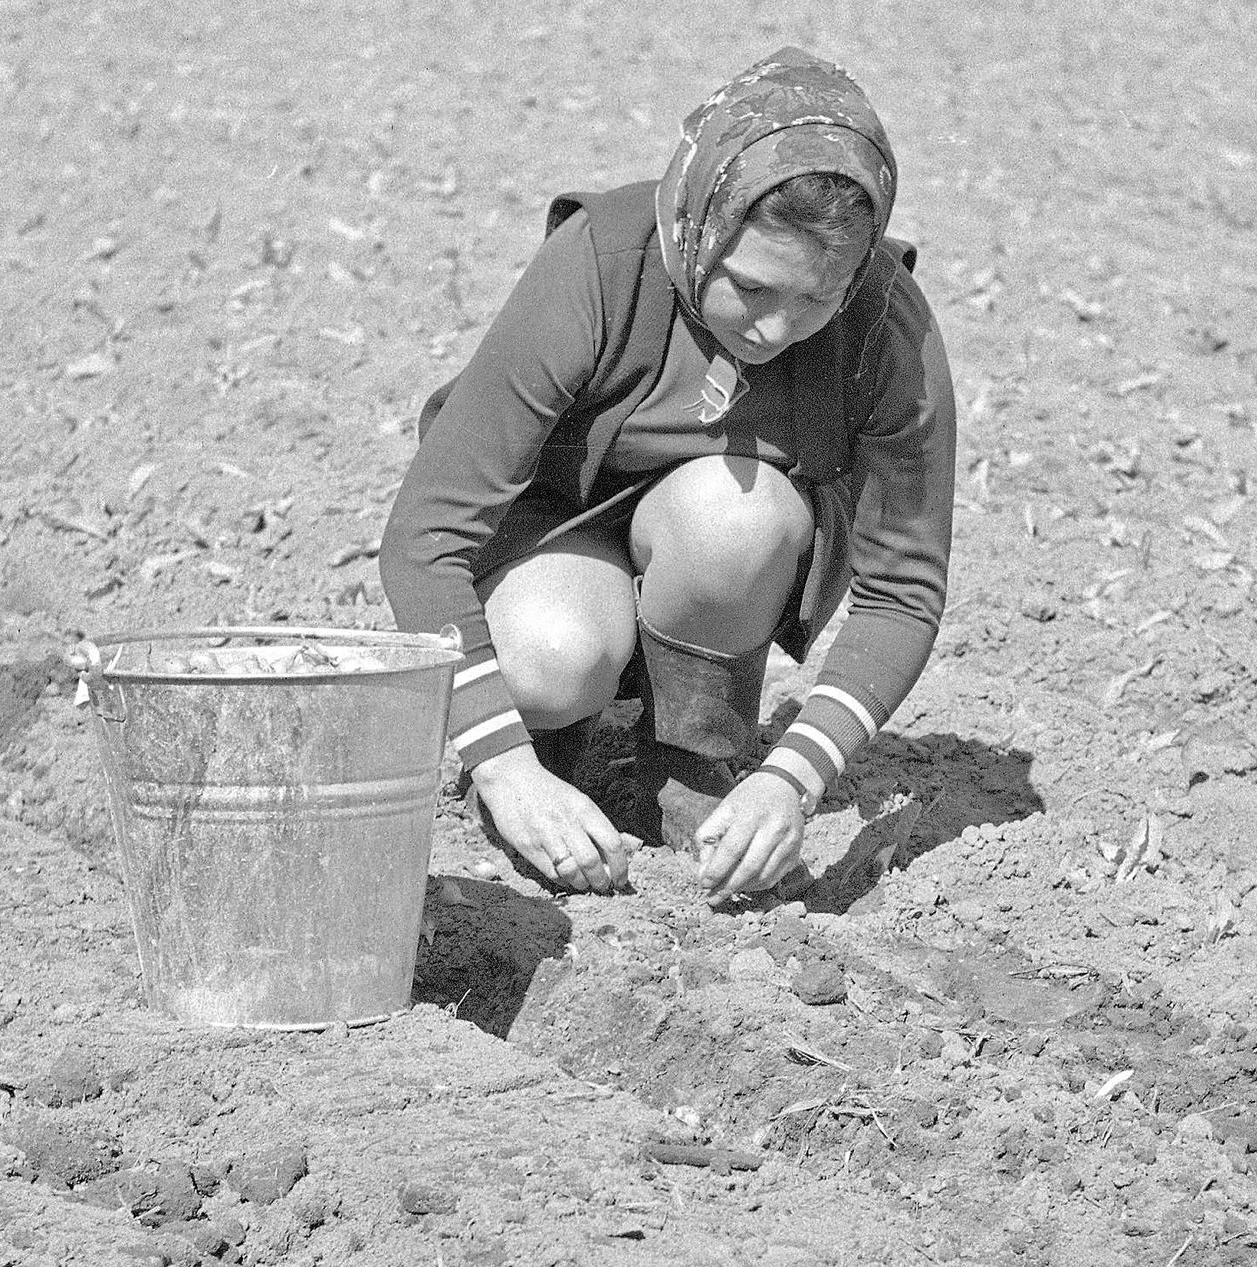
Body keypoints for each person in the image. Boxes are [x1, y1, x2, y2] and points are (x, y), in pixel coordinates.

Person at [380, 48, 954, 904]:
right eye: (752, 287)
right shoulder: (604, 263)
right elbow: (424, 538)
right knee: (548, 660)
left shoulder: (884, 325)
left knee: (737, 511)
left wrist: (794, 774)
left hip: (714, 540)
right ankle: (551, 749)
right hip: (558, 524)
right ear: (701, 227)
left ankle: (690, 757)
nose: (775, 329)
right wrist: (502, 766)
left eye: (815, 299)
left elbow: (902, 590)